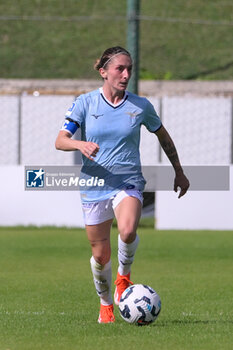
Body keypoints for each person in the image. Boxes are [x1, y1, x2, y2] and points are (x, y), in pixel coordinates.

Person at [55, 46, 189, 323]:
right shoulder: (85, 103)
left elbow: (164, 137)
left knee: (127, 231)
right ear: (104, 72)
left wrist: (179, 171)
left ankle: (123, 278)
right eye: (120, 69)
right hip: (94, 185)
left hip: (127, 182)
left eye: (129, 69)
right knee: (100, 256)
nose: (126, 74)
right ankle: (105, 304)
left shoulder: (141, 106)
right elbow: (60, 140)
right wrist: (79, 143)